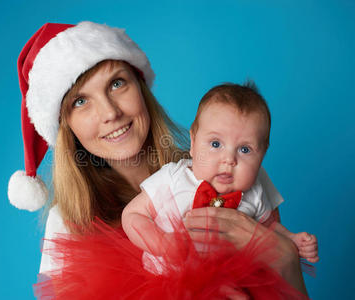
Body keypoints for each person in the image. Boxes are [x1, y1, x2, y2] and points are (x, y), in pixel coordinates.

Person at [7, 21, 309, 298]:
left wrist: (284, 257)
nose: (110, 112)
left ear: (140, 86)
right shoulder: (69, 223)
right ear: (66, 125)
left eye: (116, 83)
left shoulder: (230, 167)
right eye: (80, 101)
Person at [122, 82, 319, 272]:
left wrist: (291, 239)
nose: (229, 159)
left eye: (244, 149)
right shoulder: (173, 178)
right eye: (216, 144)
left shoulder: (256, 192)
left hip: (227, 281)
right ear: (193, 142)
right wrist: (161, 243)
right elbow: (132, 215)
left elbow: (270, 228)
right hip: (165, 282)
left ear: (262, 155)